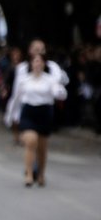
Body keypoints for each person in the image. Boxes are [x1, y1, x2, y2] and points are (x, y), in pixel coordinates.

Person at [15, 53, 67, 186]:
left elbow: (60, 94)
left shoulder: (50, 80)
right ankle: (29, 173)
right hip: (28, 112)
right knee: (31, 141)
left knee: (42, 147)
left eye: (40, 61)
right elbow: (17, 98)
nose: (37, 64)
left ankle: (41, 174)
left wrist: (59, 91)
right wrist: (12, 115)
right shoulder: (24, 80)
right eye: (35, 61)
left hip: (44, 112)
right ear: (31, 64)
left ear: (44, 64)